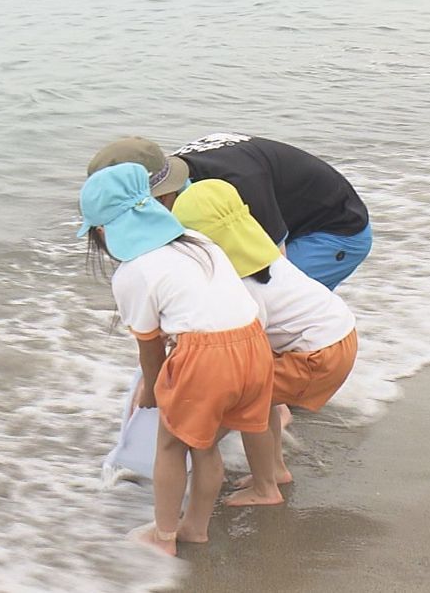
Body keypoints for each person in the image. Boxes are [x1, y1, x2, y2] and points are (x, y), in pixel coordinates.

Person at [79, 163, 275, 556]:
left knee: (172, 446)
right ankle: (195, 528)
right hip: (255, 345)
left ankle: (164, 535)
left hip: (207, 359)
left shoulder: (133, 272)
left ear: (103, 231)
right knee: (205, 446)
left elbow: (150, 349)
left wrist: (151, 393)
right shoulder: (198, 241)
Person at [171, 179, 358, 504]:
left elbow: (245, 350)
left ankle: (265, 489)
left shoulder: (244, 286)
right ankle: (274, 470)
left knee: (246, 402)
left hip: (318, 355)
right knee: (264, 394)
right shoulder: (268, 261)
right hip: (338, 337)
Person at [86, 133, 371, 290]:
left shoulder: (237, 184)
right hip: (291, 213)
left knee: (264, 302)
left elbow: (274, 267)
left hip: (335, 230)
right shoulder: (165, 170)